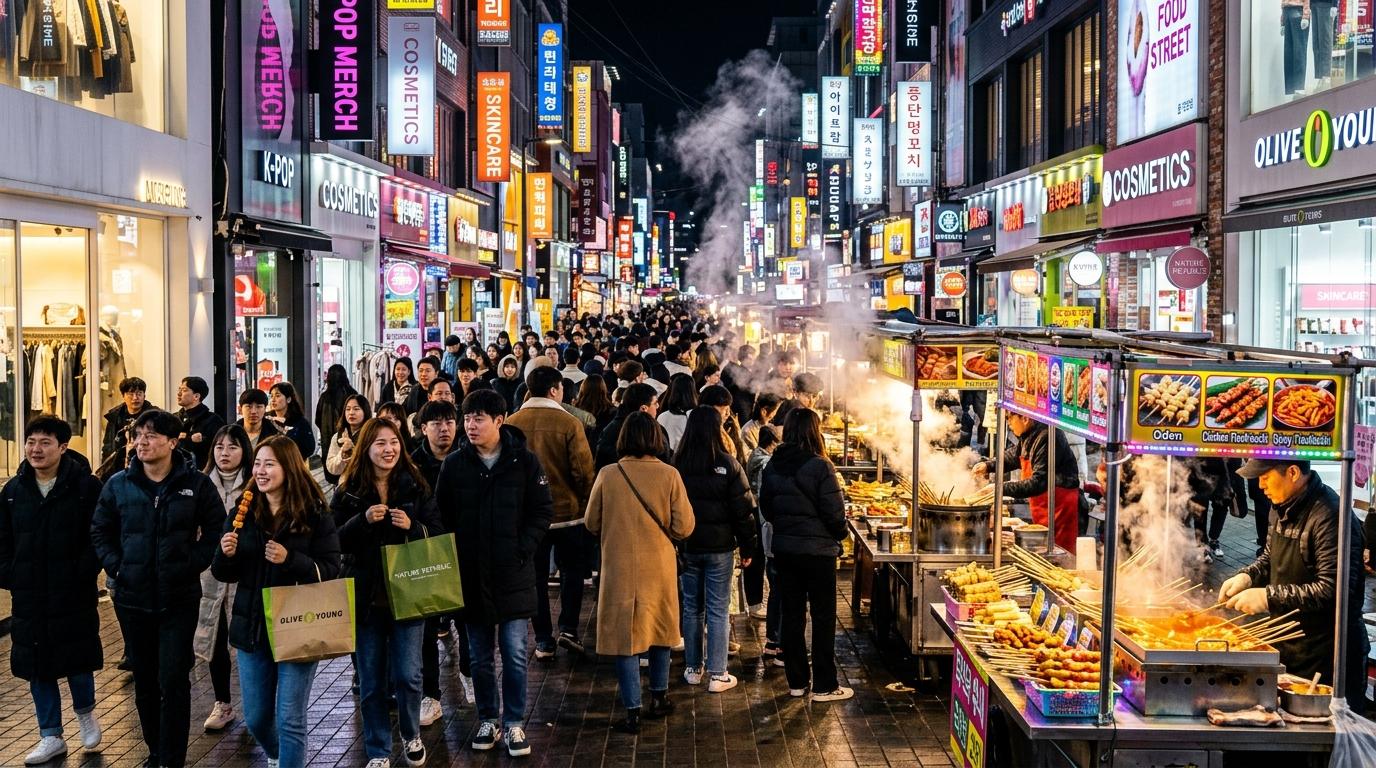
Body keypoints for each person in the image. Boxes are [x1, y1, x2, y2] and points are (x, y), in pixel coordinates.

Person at [90, 410, 225, 768]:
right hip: (132, 599)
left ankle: (172, 758)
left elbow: (216, 528)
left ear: (172, 441)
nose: (142, 442)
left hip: (179, 597)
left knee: (174, 679)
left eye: (151, 435)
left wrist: (191, 561)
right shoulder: (119, 483)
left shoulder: (195, 484)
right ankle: (155, 752)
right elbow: (100, 530)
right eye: (139, 435)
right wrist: (118, 567)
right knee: (146, 681)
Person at [435, 389, 553, 758]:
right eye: (467, 418)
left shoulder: (525, 462)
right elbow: (442, 515)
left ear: (500, 421)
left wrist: (523, 548)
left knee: (516, 652)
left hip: (512, 573)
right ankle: (488, 718)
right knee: (480, 656)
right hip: (471, 575)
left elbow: (541, 511)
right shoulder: (454, 465)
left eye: (479, 418)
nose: (470, 425)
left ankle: (514, 722)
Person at [211, 436, 341, 768]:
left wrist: (290, 559)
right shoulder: (244, 510)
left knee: (290, 719)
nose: (261, 471)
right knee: (255, 718)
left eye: (270, 464)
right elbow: (224, 572)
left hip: (299, 624)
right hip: (252, 627)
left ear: (289, 468)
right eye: (258, 464)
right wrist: (224, 555)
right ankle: (278, 755)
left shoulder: (314, 513)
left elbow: (330, 568)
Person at [332, 418, 441, 768]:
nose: (388, 449)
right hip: (366, 600)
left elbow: (439, 534)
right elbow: (332, 540)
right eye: (379, 443)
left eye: (393, 442)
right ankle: (378, 749)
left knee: (409, 675)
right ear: (366, 448)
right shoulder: (348, 490)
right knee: (371, 680)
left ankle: (411, 735)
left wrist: (414, 527)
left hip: (408, 594)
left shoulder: (415, 485)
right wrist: (361, 520)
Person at [1220, 459, 1368, 711]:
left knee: (1321, 741)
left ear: (1293, 473)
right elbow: (1270, 556)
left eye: (1265, 476)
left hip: (1328, 657)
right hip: (1290, 646)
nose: (1260, 484)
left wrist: (1268, 597)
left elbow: (1333, 591)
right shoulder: (1281, 505)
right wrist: (1247, 576)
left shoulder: (1330, 516)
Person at [0, 415, 106, 765]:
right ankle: (50, 735)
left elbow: (98, 534)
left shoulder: (84, 487)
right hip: (29, 593)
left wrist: (83, 571)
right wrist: (11, 575)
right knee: (36, 664)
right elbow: (2, 541)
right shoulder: (14, 491)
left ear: (63, 447)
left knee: (76, 656)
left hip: (71, 590)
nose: (36, 449)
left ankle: (86, 713)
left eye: (45, 442)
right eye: (31, 441)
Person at [586, 412, 695, 734]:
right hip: (658, 568)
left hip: (618, 567)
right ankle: (659, 698)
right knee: (660, 631)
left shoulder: (609, 474)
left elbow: (592, 522)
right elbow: (684, 526)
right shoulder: (670, 475)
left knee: (625, 639)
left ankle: (632, 710)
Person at [760, 408, 852, 702]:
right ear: (814, 431)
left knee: (792, 615)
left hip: (785, 550)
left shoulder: (773, 466)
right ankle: (824, 685)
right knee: (823, 617)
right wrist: (840, 535)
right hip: (818, 553)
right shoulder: (821, 467)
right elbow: (835, 515)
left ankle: (796, 683)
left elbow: (767, 510)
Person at [507, 366, 597, 660]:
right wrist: (584, 503)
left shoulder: (511, 422)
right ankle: (569, 629)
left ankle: (543, 639)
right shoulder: (569, 423)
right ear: (555, 390)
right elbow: (583, 471)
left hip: (528, 517)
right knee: (571, 573)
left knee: (535, 577)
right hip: (568, 514)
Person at [674, 407, 759, 693]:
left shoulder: (677, 464)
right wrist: (748, 547)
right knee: (718, 610)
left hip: (687, 546)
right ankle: (718, 673)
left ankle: (692, 668)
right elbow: (744, 511)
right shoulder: (728, 464)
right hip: (721, 547)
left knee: (691, 607)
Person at [409, 400, 476, 719]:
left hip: (462, 549)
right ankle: (430, 695)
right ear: (423, 429)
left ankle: (467, 671)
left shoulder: (468, 459)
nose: (444, 428)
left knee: (465, 621)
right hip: (424, 552)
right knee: (425, 628)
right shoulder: (410, 466)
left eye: (449, 422)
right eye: (436, 423)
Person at [195, 425, 254, 734]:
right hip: (211, 573)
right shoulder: (200, 485)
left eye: (232, 447)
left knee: (248, 638)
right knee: (214, 636)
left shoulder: (256, 483)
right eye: (219, 447)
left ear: (244, 450)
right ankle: (223, 703)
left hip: (248, 573)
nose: (224, 453)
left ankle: (254, 702)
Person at [975, 411, 1082, 553]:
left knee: (1058, 553)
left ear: (1024, 418)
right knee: (1043, 547)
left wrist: (1000, 488)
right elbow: (1015, 455)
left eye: (1009, 418)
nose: (1008, 423)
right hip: (1043, 505)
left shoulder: (1048, 437)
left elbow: (1038, 482)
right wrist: (989, 465)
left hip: (1059, 508)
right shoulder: (1031, 433)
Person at [748, 426, 784, 652]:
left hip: (768, 529)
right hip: (770, 530)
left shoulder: (761, 458)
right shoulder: (765, 463)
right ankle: (779, 644)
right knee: (780, 587)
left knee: (777, 586)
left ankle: (774, 640)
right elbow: (765, 501)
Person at [595, 383, 667, 469]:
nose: (658, 406)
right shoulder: (655, 431)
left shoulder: (608, 429)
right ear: (643, 409)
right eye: (655, 403)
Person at [174, 376, 226, 470]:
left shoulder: (213, 420)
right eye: (179, 389)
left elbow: (219, 449)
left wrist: (196, 441)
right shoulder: (174, 418)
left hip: (202, 473)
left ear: (196, 396)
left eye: (184, 390)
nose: (179, 393)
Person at [101, 377, 156, 460]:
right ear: (123, 396)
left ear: (144, 396)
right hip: (120, 464)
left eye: (139, 393)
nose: (135, 398)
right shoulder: (115, 416)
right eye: (131, 394)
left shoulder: (155, 415)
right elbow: (108, 446)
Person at [324, 394, 372, 484]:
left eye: (356, 409)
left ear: (365, 411)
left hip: (367, 486)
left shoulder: (372, 435)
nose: (351, 412)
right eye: (348, 409)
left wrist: (352, 450)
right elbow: (332, 468)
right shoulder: (338, 437)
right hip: (344, 487)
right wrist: (342, 454)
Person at [315, 364, 357, 459]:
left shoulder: (324, 397)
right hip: (348, 440)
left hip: (327, 441)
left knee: (330, 467)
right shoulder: (353, 395)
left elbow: (317, 420)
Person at [268, 382, 317, 460]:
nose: (273, 400)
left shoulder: (300, 422)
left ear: (288, 399)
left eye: (277, 396)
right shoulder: (267, 419)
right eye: (271, 396)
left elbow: (309, 449)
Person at [656, 373, 697, 452]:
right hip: (683, 460)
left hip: (664, 457)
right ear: (692, 391)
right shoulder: (693, 416)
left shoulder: (662, 416)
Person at [573, 374, 616, 446]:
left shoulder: (575, 409)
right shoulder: (611, 411)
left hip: (579, 446)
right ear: (603, 389)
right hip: (602, 448)